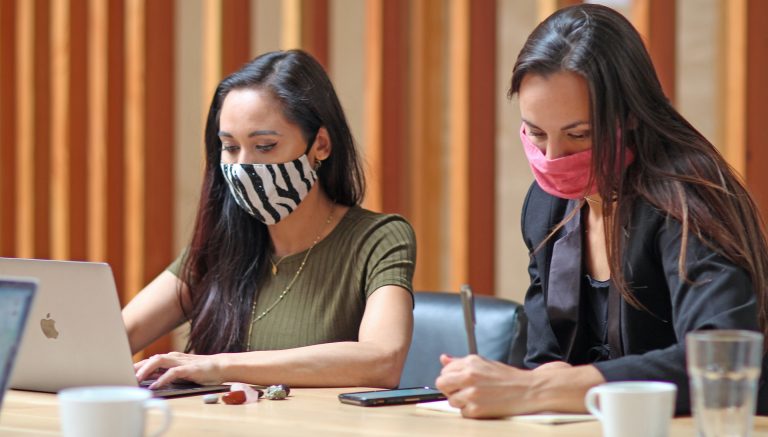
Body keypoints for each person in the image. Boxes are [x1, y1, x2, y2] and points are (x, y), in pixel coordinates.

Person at [436, 3, 768, 418]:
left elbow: (721, 360)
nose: (553, 157)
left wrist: (538, 388)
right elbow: (542, 361)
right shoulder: (546, 207)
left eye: (579, 135)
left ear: (630, 116)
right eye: (536, 134)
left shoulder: (689, 200)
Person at [122, 50, 415, 389]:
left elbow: (382, 360)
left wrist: (218, 366)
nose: (244, 166)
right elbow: (122, 334)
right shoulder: (223, 245)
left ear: (320, 145)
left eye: (264, 146)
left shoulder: (378, 238)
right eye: (230, 148)